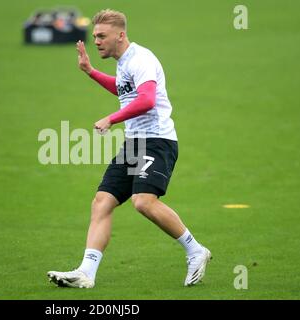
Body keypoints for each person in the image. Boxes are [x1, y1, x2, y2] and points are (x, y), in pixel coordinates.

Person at [47, 9, 211, 288]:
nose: (96, 41)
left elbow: (146, 100)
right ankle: (86, 273)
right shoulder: (124, 62)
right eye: (95, 36)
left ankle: (196, 251)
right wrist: (90, 72)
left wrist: (111, 118)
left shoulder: (141, 59)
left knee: (143, 202)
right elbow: (122, 89)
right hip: (135, 142)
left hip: (157, 141)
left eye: (102, 36)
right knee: (102, 201)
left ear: (120, 35)